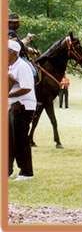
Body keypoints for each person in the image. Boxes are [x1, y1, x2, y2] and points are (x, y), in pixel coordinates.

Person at [8, 39, 37, 180]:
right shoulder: (10, 66)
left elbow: (26, 87)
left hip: (23, 107)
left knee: (20, 140)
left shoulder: (22, 66)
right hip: (14, 106)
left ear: (13, 53)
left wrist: (7, 94)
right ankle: (7, 170)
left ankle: (26, 172)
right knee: (10, 140)